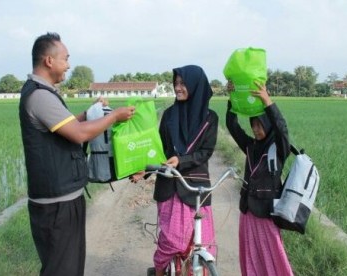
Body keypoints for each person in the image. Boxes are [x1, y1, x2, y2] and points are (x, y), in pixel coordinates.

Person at [18, 32, 135, 276]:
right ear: (49, 61)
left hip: (62, 199)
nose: (69, 65)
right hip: (56, 205)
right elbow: (79, 134)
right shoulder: (39, 95)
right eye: (66, 59)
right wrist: (113, 116)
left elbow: (67, 124)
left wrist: (89, 113)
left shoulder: (43, 92)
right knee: (62, 270)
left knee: (69, 267)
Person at [131, 65, 219, 276]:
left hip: (196, 188)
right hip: (170, 186)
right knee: (170, 242)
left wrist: (181, 160)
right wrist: (145, 170)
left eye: (183, 84)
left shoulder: (210, 118)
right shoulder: (170, 115)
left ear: (195, 86)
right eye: (176, 83)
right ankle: (160, 272)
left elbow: (205, 152)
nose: (178, 88)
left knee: (203, 243)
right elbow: (158, 149)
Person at [225, 80, 293, 275]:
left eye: (260, 124)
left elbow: (282, 129)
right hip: (248, 211)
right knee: (250, 254)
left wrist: (267, 101)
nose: (255, 129)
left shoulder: (279, 149)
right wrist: (232, 99)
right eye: (253, 124)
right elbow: (232, 126)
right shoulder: (251, 146)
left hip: (266, 213)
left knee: (272, 255)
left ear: (268, 124)